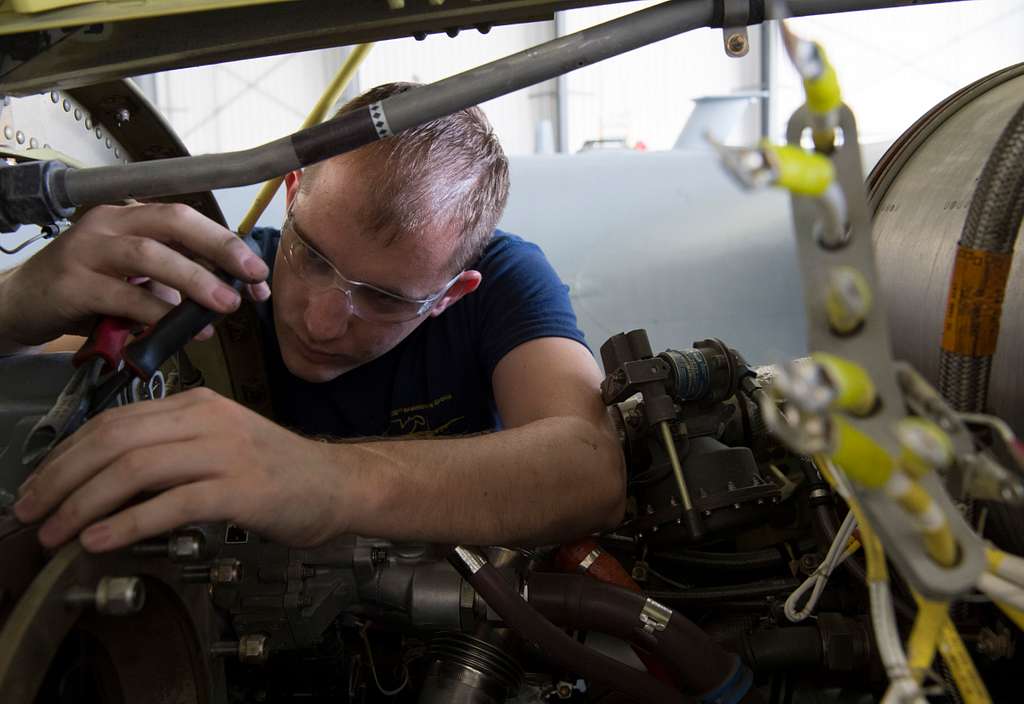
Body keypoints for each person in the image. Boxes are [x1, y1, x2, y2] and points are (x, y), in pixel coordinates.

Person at [0, 83, 625, 554]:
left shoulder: (507, 281)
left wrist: (328, 481)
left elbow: (588, 468)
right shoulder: (206, 284)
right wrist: (15, 302)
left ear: (451, 293)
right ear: (294, 191)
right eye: (313, 257)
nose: (323, 323)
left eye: (383, 298)